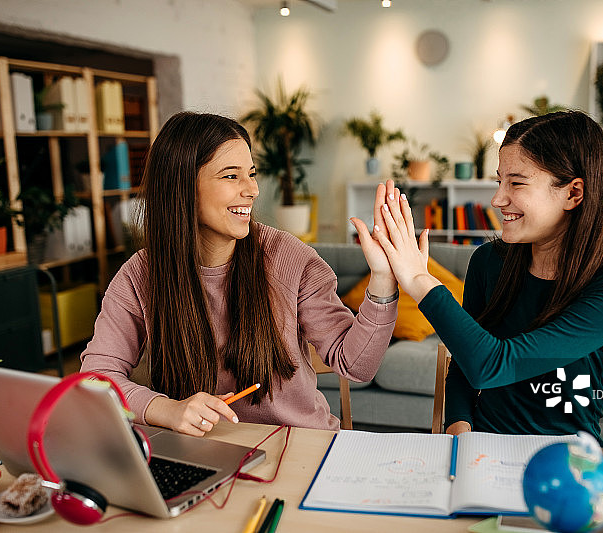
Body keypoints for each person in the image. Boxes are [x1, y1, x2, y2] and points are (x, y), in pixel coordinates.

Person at [80, 111, 398, 435]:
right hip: (204, 454)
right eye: (231, 176)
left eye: (252, 173)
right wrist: (166, 409)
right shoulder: (141, 275)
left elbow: (356, 365)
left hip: (300, 448)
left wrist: (383, 281)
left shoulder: (290, 259)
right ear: (183, 186)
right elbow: (94, 378)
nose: (253, 190)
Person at [371, 111, 603, 444]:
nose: (497, 199)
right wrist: (459, 426)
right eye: (499, 181)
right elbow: (465, 362)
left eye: (516, 183)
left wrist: (419, 278)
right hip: (483, 450)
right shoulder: (489, 262)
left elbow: (492, 363)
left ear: (574, 194)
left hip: (566, 461)